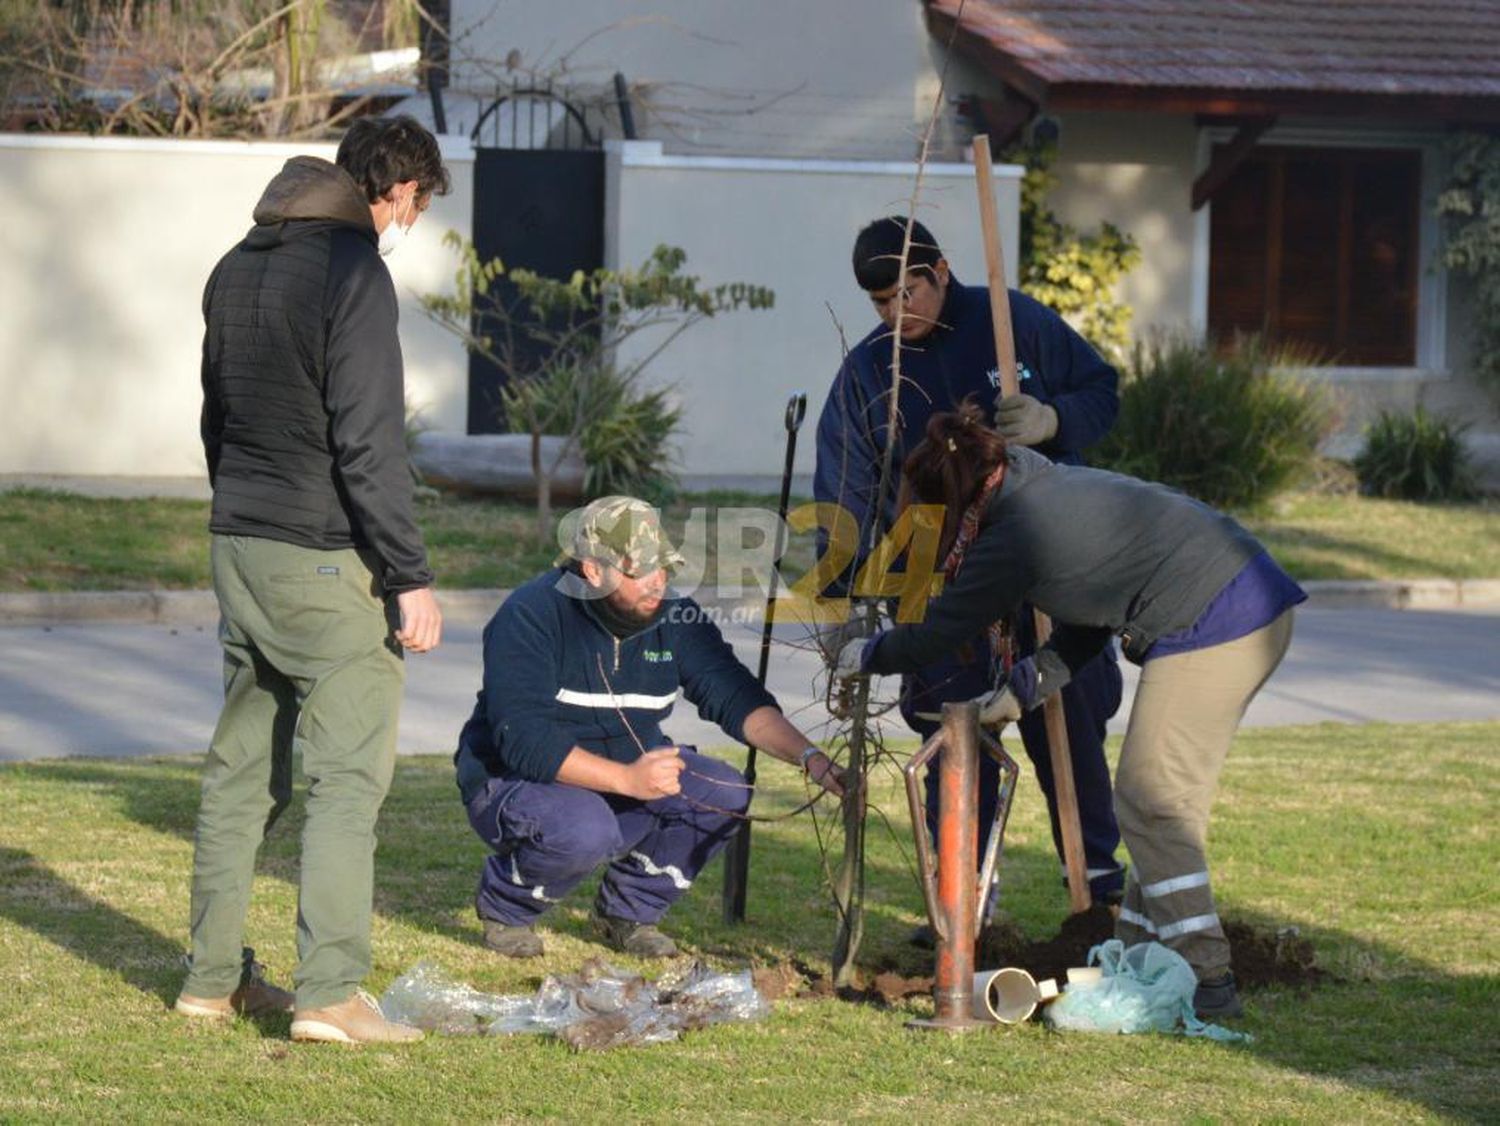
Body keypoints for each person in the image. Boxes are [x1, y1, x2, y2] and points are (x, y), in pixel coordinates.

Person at [836, 401, 1305, 1019]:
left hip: (1218, 617)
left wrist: (866, 652)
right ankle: (1140, 960)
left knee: (1151, 800)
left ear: (951, 503)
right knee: (1160, 807)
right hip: (1246, 599)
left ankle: (1209, 979)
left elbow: (937, 634)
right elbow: (1092, 615)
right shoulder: (1037, 486)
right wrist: (1024, 687)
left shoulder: (1014, 534)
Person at [176, 115, 449, 1045]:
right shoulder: (353, 272)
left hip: (239, 543)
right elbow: (369, 442)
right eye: (415, 202)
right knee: (345, 780)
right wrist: (408, 575)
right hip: (326, 560)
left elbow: (215, 411)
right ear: (399, 189)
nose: (409, 220)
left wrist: (239, 515)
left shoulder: (235, 264)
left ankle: (210, 983)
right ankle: (330, 993)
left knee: (241, 774)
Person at [813, 216, 1126, 912]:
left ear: (941, 271)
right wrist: (845, 600)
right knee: (952, 737)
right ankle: (962, 904)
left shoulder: (1012, 322)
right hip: (939, 579)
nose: (897, 314)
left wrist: (1053, 419)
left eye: (908, 293)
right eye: (881, 304)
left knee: (1067, 725)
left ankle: (1100, 892)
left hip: (1044, 561)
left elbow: (1103, 393)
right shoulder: (870, 370)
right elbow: (844, 489)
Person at [454, 496, 847, 959]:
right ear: (592, 571)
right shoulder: (530, 615)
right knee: (586, 827)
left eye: (663, 566)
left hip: (625, 773)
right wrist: (626, 780)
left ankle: (627, 912)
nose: (657, 581)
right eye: (639, 570)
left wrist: (813, 760)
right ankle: (507, 908)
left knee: (723, 792)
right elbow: (524, 741)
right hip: (518, 782)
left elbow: (737, 699)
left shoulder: (675, 619)